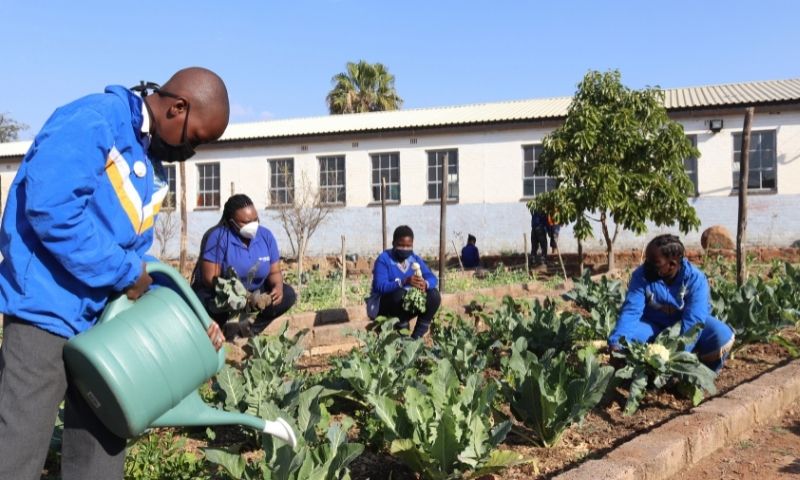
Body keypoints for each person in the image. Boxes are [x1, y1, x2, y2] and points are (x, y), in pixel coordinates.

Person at [0, 67, 230, 480]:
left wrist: (194, 315)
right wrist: (125, 272)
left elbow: (137, 257)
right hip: (44, 312)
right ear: (178, 107)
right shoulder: (96, 120)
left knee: (99, 459)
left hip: (104, 326)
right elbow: (52, 211)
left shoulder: (151, 163)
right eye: (194, 138)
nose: (191, 152)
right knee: (16, 451)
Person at [608, 234, 735, 372]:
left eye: (654, 264)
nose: (647, 266)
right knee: (626, 339)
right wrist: (616, 344)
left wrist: (676, 356)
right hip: (653, 327)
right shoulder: (641, 276)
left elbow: (694, 321)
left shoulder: (695, 279)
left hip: (686, 328)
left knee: (721, 335)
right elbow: (631, 311)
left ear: (672, 265)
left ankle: (700, 373)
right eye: (647, 261)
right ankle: (643, 373)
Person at [192, 194, 296, 340]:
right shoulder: (219, 237)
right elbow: (210, 279)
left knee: (288, 294)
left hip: (256, 294)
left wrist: (277, 287)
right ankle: (219, 331)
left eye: (255, 220)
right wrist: (244, 296)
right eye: (246, 222)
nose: (252, 225)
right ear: (232, 222)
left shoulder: (265, 236)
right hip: (223, 296)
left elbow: (275, 272)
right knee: (209, 313)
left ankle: (249, 329)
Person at [366, 225, 441, 339]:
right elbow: (380, 286)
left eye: (408, 246)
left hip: (405, 304)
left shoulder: (414, 258)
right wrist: (404, 281)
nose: (405, 249)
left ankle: (417, 337)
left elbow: (432, 277)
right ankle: (403, 334)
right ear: (394, 243)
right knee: (400, 294)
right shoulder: (384, 259)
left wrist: (425, 284)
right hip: (385, 304)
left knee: (434, 295)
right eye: (401, 245)